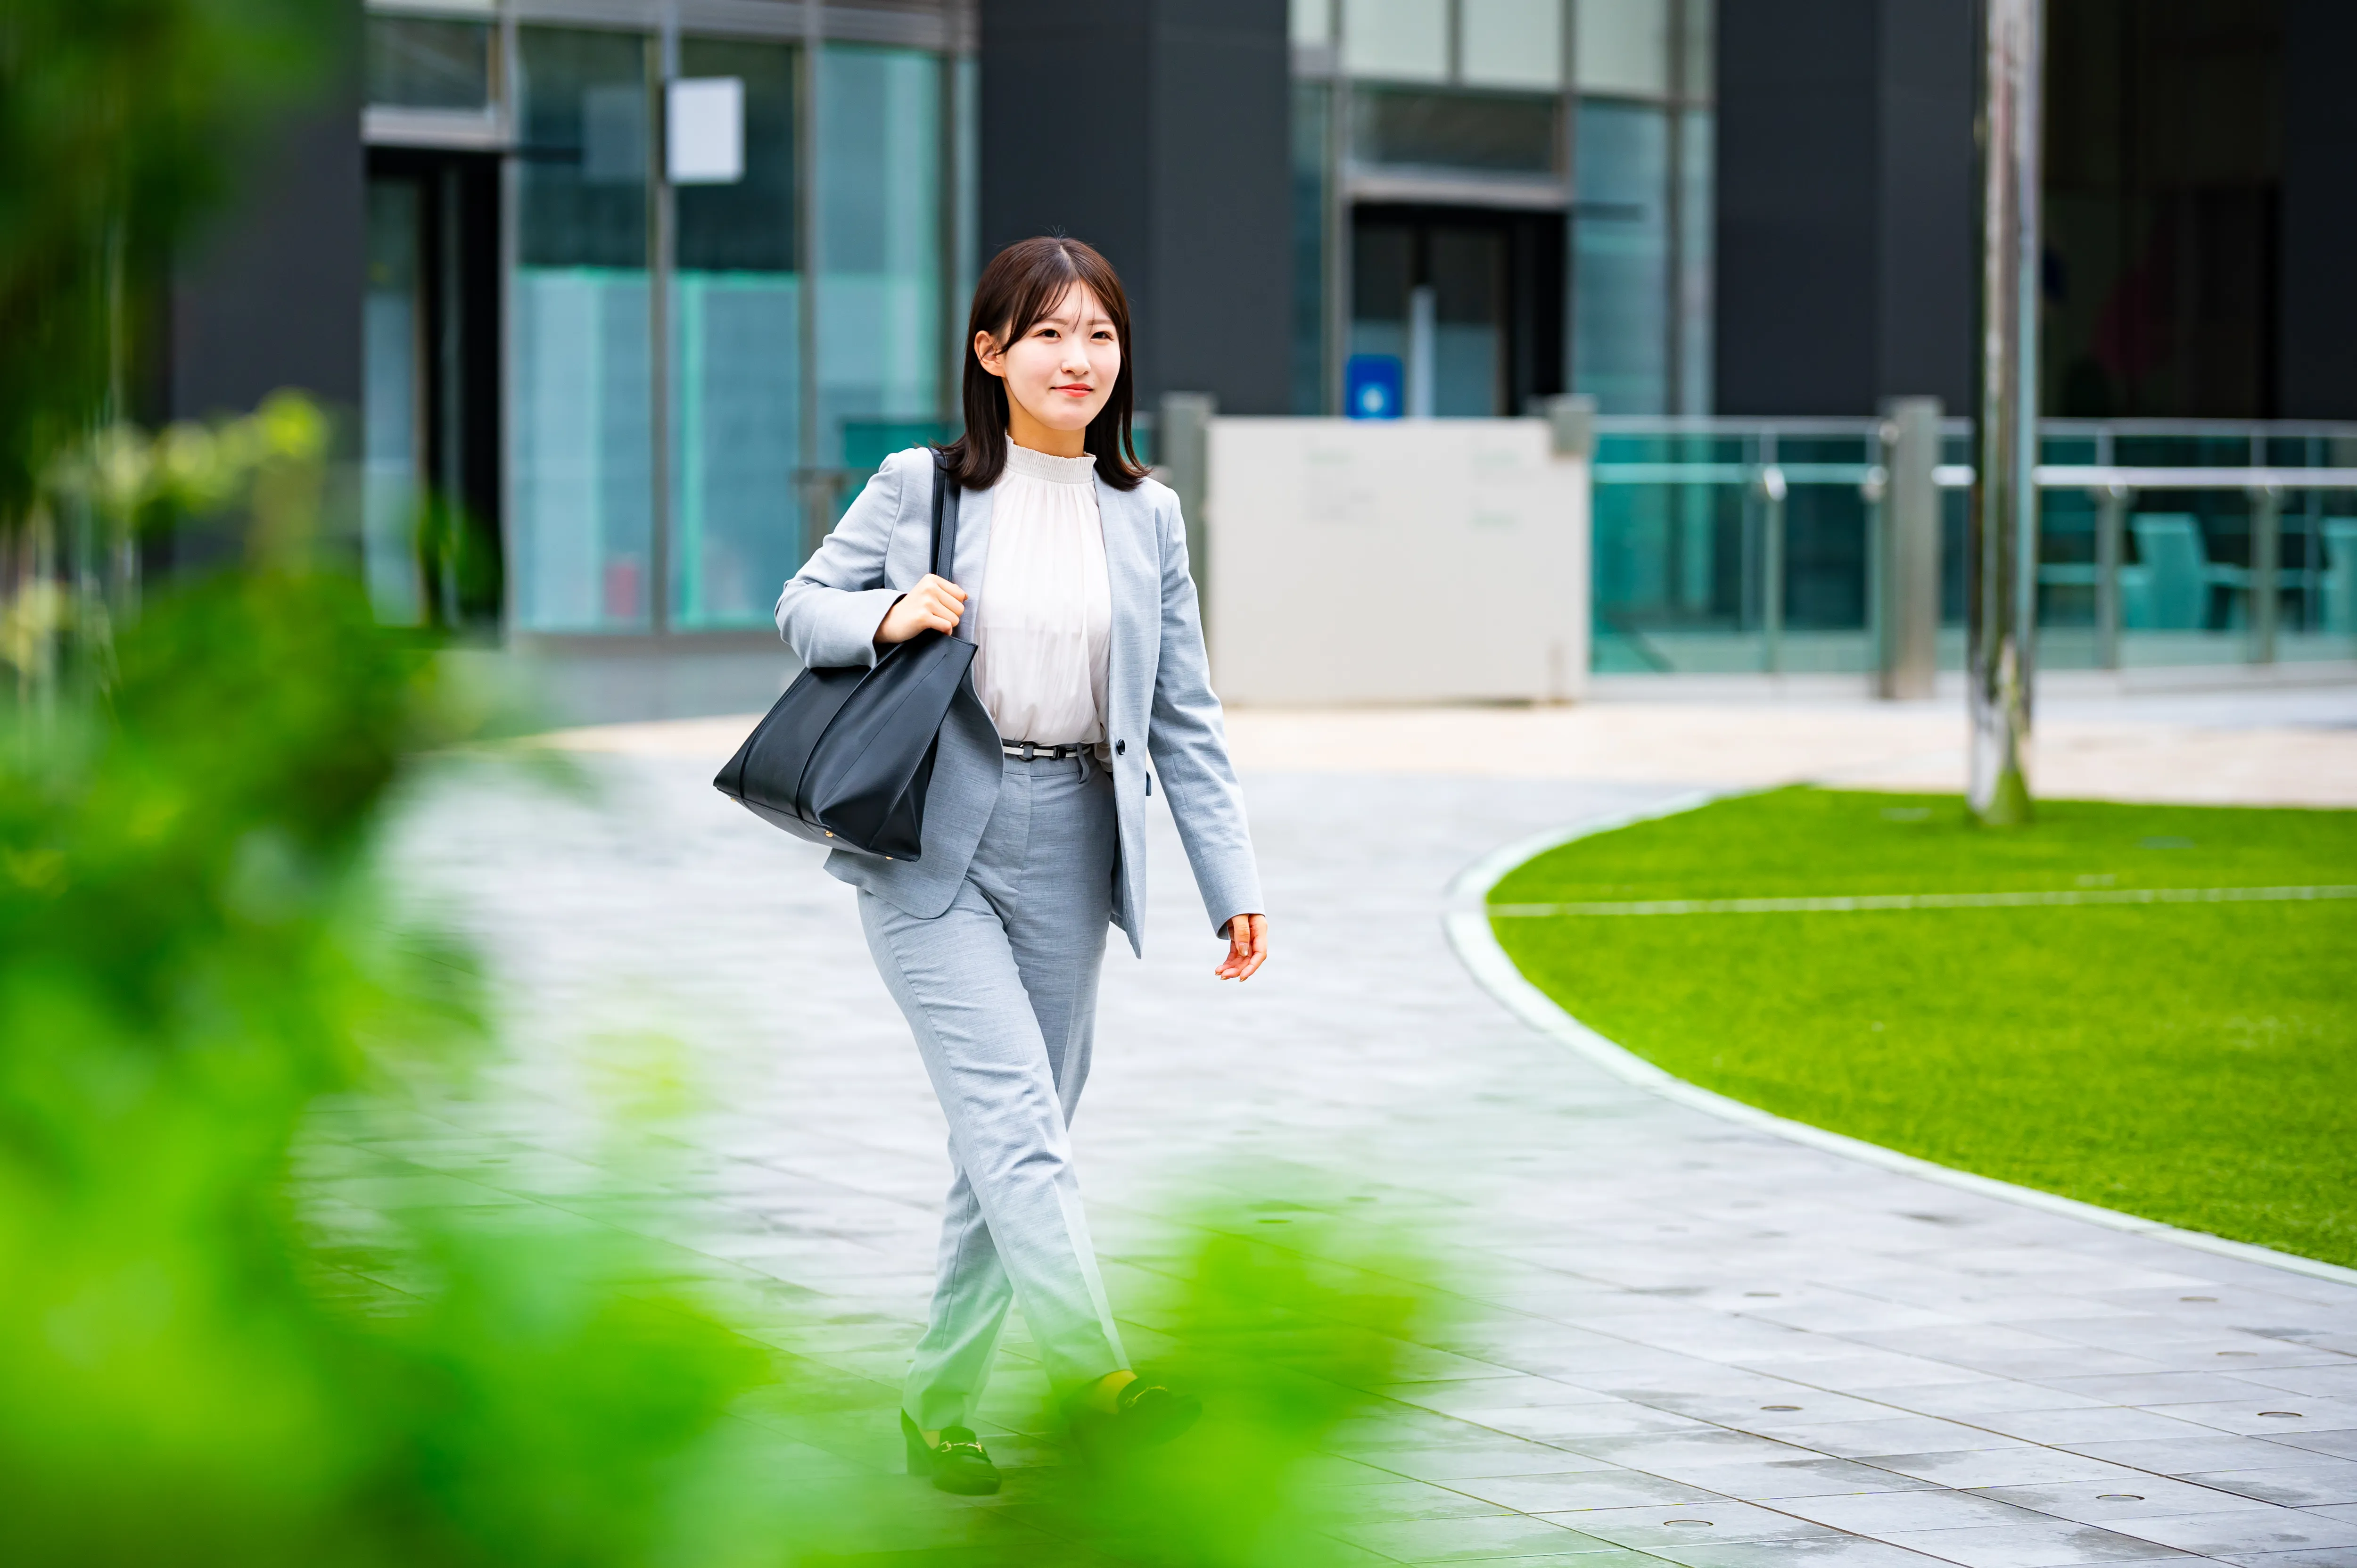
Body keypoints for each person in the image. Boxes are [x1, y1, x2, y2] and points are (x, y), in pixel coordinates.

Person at [774, 236, 1269, 1496]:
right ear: (991, 354)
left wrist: (1234, 882)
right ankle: (1098, 1380)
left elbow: (1186, 715)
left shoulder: (1148, 513)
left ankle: (936, 1406)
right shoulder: (919, 486)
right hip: (932, 838)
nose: (1077, 358)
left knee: (1013, 1139)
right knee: (1015, 1126)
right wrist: (887, 613)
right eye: (1047, 333)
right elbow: (802, 604)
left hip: (1080, 838)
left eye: (1098, 334)